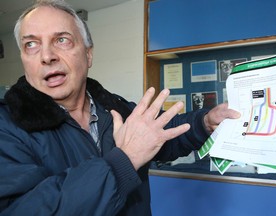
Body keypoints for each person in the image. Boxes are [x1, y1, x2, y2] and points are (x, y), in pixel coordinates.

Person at [0, 0, 240, 215]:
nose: (46, 56)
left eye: (61, 40)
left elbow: (161, 135)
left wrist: (204, 122)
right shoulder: (6, 126)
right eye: (31, 44)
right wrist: (123, 161)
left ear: (88, 54)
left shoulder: (113, 106)